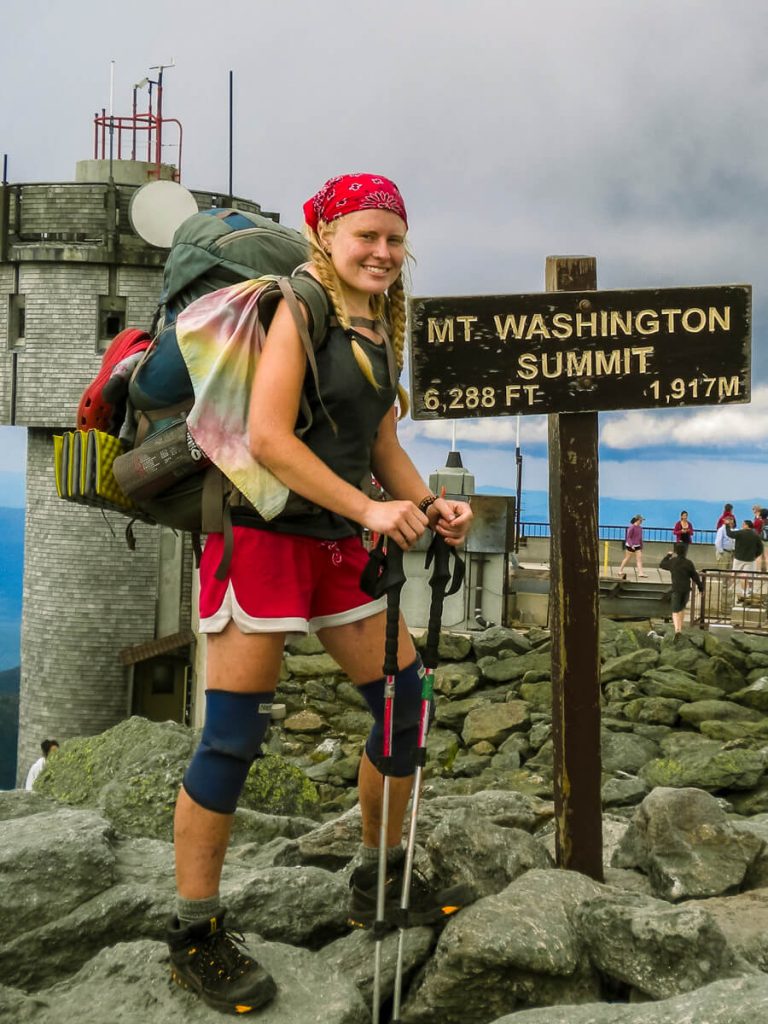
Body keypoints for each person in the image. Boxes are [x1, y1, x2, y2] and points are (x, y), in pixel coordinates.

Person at [165, 173, 474, 1015]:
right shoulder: (295, 307)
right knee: (232, 737)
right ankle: (195, 931)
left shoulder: (376, 322)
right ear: (325, 235)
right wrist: (374, 507)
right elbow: (265, 436)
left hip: (335, 539)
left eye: (394, 239)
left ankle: (375, 880)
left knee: (404, 701)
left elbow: (377, 436)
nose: (381, 251)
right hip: (261, 534)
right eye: (365, 235)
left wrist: (422, 503)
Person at [660, 543, 703, 640]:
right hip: (686, 589)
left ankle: (677, 630)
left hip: (676, 589)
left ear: (676, 551)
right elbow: (695, 576)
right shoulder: (688, 563)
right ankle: (680, 627)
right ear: (685, 552)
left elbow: (662, 564)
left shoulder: (673, 562)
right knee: (682, 608)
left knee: (675, 610)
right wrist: (701, 588)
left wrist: (668, 555)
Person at [726, 517, 764, 602]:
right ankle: (749, 590)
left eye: (743, 524)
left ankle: (730, 588)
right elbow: (760, 548)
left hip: (738, 558)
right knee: (749, 575)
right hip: (750, 559)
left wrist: (727, 525)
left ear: (746, 525)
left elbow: (729, 534)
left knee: (735, 573)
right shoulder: (756, 535)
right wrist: (755, 555)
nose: (742, 526)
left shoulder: (740, 533)